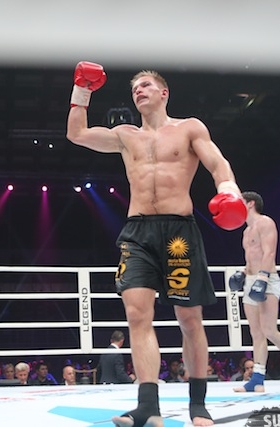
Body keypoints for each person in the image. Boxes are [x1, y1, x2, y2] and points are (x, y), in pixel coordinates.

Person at [67, 62, 246, 427]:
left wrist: (229, 191)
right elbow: (77, 134)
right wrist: (81, 90)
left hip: (179, 231)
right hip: (137, 231)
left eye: (146, 85)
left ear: (164, 93)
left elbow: (217, 163)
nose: (139, 90)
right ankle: (148, 407)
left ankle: (198, 404)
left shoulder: (189, 128)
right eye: (135, 87)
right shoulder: (125, 135)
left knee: (189, 318)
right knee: (137, 315)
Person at [229, 191, 280, 393]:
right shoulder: (246, 231)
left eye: (240, 201)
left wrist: (263, 278)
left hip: (266, 278)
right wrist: (243, 273)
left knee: (269, 330)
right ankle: (257, 380)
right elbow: (251, 259)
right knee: (256, 333)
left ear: (250, 204)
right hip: (250, 280)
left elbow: (269, 253)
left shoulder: (265, 223)